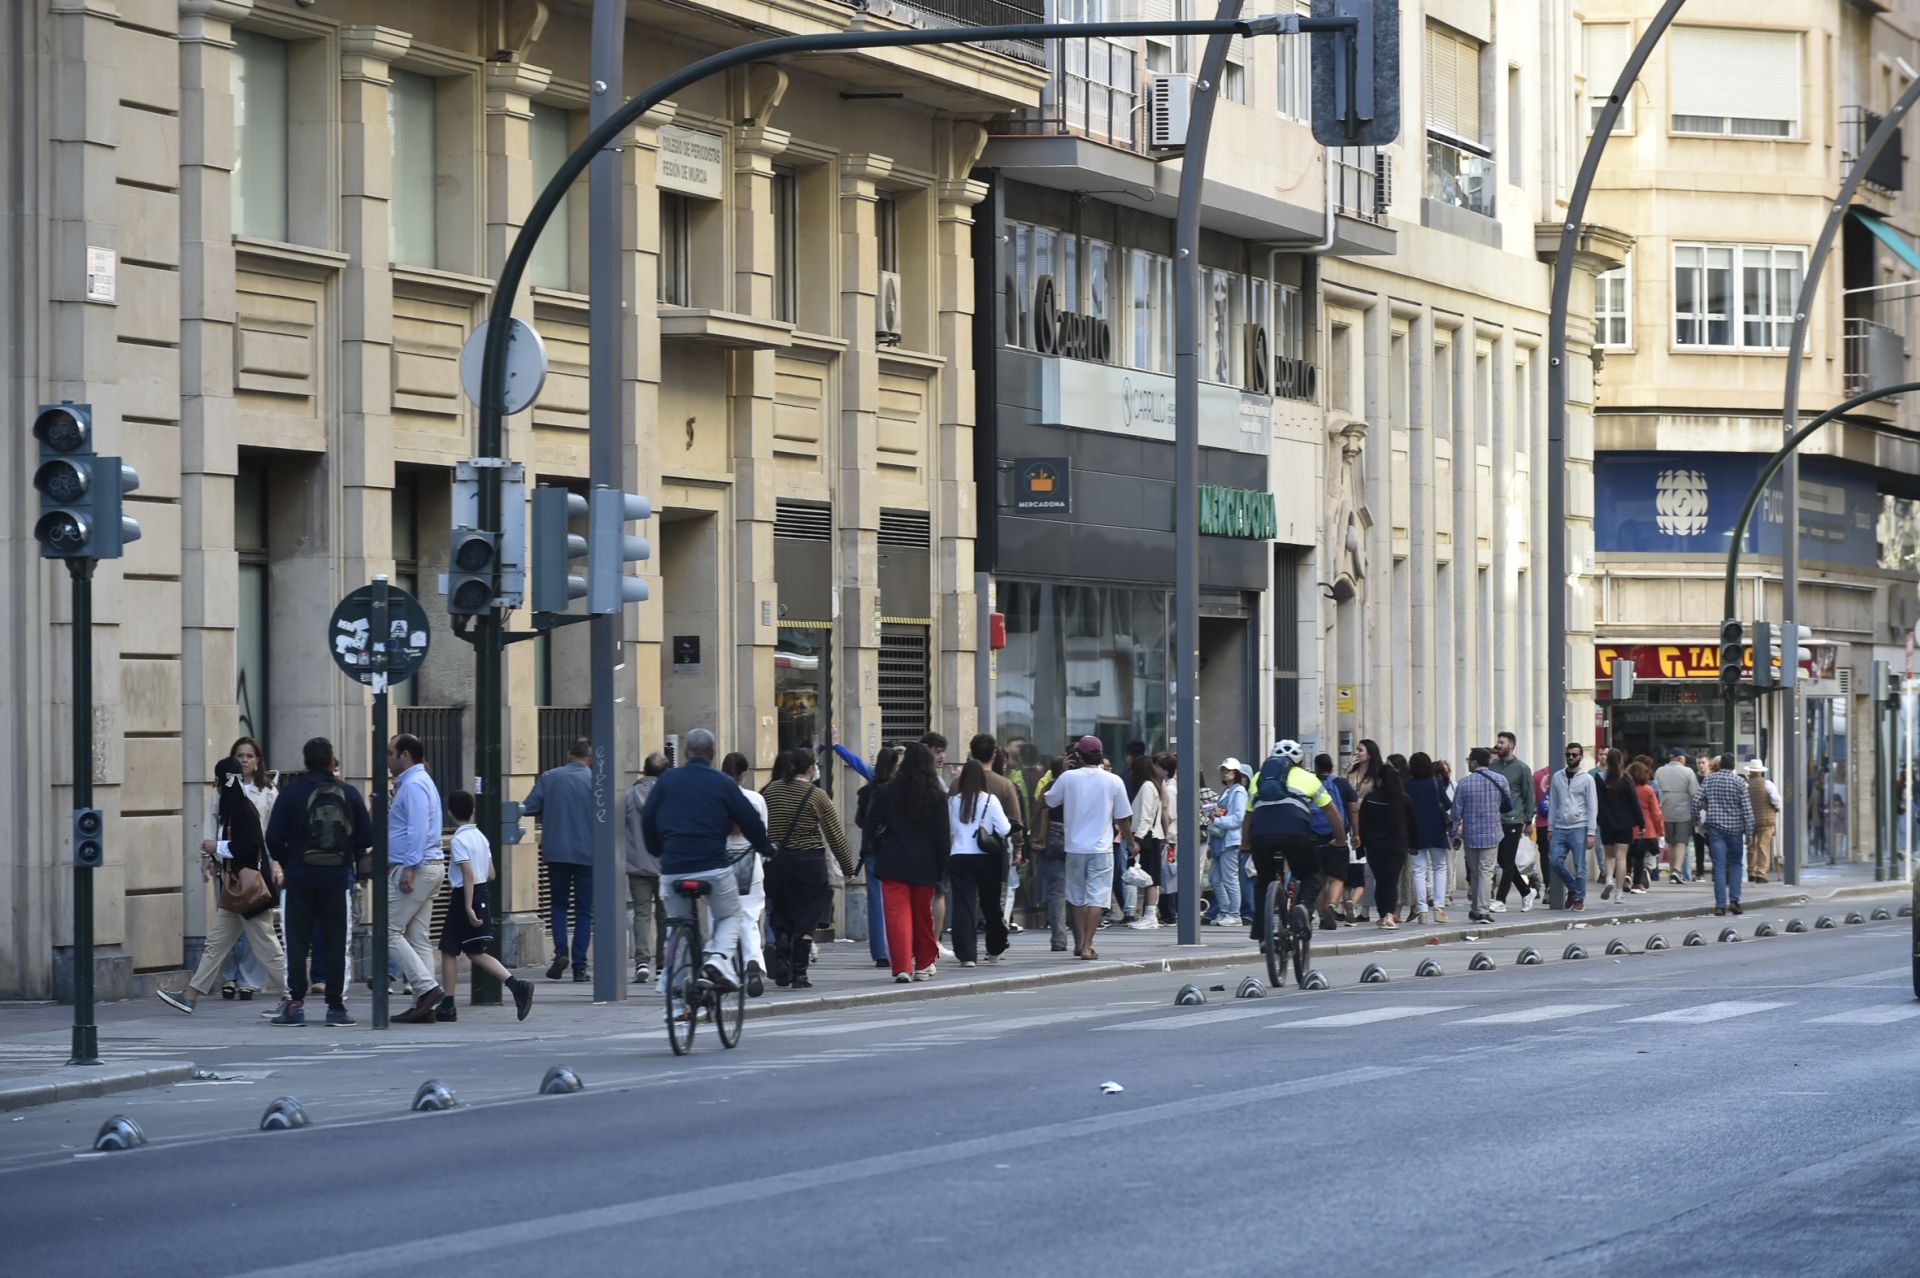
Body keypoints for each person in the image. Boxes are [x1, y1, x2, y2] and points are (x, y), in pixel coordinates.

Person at [639, 728, 775, 991]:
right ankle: (718, 961)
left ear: (686, 752)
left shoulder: (667, 781)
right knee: (732, 915)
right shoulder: (722, 783)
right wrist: (765, 848)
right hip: (711, 866)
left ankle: (676, 997)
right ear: (712, 754)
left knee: (677, 924)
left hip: (673, 867)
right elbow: (749, 820)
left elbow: (648, 819)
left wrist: (656, 849)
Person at [158, 756, 289, 1015]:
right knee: (215, 945)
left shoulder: (241, 809)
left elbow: (251, 846)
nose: (216, 786)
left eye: (217, 781)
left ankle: (292, 997)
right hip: (237, 892)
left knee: (267, 949)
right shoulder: (233, 809)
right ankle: (190, 996)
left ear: (221, 781)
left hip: (250, 893)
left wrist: (216, 846)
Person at [263, 737, 371, 1027]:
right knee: (337, 941)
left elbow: (273, 838)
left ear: (305, 762)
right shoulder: (348, 793)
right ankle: (336, 1007)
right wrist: (346, 855)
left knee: (296, 942)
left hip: (298, 878)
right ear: (331, 762)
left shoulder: (290, 794)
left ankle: (295, 1005)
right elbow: (367, 837)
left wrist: (289, 860)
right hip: (336, 879)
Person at [433, 790, 535, 1022]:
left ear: (449, 812)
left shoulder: (459, 840)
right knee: (469, 950)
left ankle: (450, 1003)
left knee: (453, 949)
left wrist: (468, 907)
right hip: (482, 893)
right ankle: (515, 986)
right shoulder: (480, 837)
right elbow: (490, 873)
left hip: (464, 896)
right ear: (472, 811)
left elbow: (467, 874)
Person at [761, 748, 855, 989]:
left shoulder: (771, 791)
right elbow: (834, 834)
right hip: (809, 863)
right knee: (807, 916)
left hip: (778, 862)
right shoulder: (817, 795)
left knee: (780, 911)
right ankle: (800, 972)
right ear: (811, 767)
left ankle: (782, 957)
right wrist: (848, 867)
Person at [197, 737, 276, 1000]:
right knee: (219, 939)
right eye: (239, 755)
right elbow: (211, 822)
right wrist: (208, 854)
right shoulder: (225, 796)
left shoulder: (258, 797)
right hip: (229, 871)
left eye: (249, 755)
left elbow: (260, 838)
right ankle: (199, 989)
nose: (244, 760)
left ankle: (278, 989)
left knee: (262, 940)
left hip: (252, 873)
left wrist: (276, 863)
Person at [1245, 740, 1345, 946]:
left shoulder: (1258, 778)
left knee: (1263, 881)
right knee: (1312, 875)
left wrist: (1245, 843)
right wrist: (1340, 839)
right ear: (1300, 762)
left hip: (1261, 836)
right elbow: (1331, 811)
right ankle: (1303, 908)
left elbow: (1248, 816)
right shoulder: (1309, 778)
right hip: (1296, 834)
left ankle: (1262, 934)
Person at [1044, 735, 1135, 959]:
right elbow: (1122, 817)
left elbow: (1049, 800)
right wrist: (1131, 842)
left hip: (1074, 846)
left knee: (1077, 897)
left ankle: (1079, 943)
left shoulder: (1068, 778)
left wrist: (1059, 774)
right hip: (1102, 847)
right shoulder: (1113, 780)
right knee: (1098, 897)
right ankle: (1087, 945)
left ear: (1079, 755)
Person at [871, 742, 952, 982]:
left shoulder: (887, 791)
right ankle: (923, 963)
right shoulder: (937, 796)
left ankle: (902, 967)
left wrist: (878, 848)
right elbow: (942, 837)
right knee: (922, 916)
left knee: (896, 917)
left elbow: (872, 824)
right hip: (925, 864)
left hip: (893, 862)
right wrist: (941, 868)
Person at [385, 733, 447, 1024]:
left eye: (390, 753)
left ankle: (427, 989)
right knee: (418, 936)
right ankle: (425, 1006)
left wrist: (409, 867)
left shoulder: (413, 785)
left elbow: (417, 828)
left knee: (387, 931)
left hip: (418, 868)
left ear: (405, 755)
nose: (388, 759)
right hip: (427, 866)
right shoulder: (419, 782)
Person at [522, 738, 595, 982]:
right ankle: (580, 966)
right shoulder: (596, 780)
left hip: (557, 851)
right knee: (584, 911)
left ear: (568, 754)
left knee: (559, 905)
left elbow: (529, 806)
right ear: (590, 758)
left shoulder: (550, 777)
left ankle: (561, 951)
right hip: (588, 853)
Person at [947, 757, 1013, 967]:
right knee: (990, 904)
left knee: (963, 906)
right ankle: (995, 947)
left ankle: (967, 955)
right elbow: (1004, 829)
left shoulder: (953, 802)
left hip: (958, 856)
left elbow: (949, 831)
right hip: (986, 858)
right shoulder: (990, 800)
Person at [720, 752, 773, 994]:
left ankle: (722, 968)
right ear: (744, 775)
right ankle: (752, 960)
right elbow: (763, 835)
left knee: (721, 918)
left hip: (722, 862)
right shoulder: (755, 799)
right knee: (749, 919)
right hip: (750, 862)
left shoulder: (716, 799)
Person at [620, 753, 669, 984]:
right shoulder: (669, 795)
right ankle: (662, 965)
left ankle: (641, 961)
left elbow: (619, 828)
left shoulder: (629, 796)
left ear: (644, 770)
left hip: (637, 863)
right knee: (664, 916)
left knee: (641, 913)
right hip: (664, 864)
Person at [970, 734, 1025, 933]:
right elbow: (1015, 819)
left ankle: (973, 928)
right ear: (994, 755)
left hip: (964, 846)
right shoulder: (1004, 784)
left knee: (970, 892)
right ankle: (995, 931)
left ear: (971, 753)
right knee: (998, 891)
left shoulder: (958, 784)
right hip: (996, 846)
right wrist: (1018, 847)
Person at [1452, 747, 1512, 925]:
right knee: (1486, 871)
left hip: (1470, 834)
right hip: (1492, 832)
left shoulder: (1464, 783)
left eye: (1469, 760)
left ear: (1475, 762)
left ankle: (1476, 909)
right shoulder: (1500, 780)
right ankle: (1482, 910)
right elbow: (1506, 803)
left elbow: (1456, 812)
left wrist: (1454, 833)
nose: (1468, 764)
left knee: (1475, 872)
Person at [854, 746, 901, 969]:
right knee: (895, 899)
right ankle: (895, 947)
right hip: (892, 849)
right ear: (893, 766)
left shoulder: (867, 791)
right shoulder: (897, 790)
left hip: (871, 848)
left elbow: (860, 821)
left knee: (875, 899)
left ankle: (879, 951)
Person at [1356, 761, 1415, 929]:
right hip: (1397, 845)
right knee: (1391, 880)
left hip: (1375, 846)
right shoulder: (1403, 799)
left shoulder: (1370, 799)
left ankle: (1384, 914)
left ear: (1380, 779)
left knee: (1381, 881)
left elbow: (1363, 825)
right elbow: (1412, 824)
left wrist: (1360, 848)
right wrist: (1414, 844)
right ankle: (1389, 915)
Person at [1695, 752, 1755, 915]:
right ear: (1733, 766)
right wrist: (1750, 832)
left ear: (1720, 765)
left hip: (1715, 829)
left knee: (1719, 866)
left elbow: (1696, 801)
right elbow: (1747, 810)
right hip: (1735, 829)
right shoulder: (1739, 782)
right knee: (1736, 863)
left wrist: (1698, 824)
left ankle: (1720, 905)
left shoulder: (1709, 779)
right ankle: (1734, 901)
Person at [1547, 742, 1599, 911]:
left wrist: (1591, 832)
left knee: (1580, 866)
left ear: (1581, 757)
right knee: (1554, 860)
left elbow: (1592, 806)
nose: (1571, 757)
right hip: (1560, 826)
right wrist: (1550, 827)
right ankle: (1573, 888)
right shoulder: (1557, 777)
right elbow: (1553, 803)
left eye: (1574, 755)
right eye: (1568, 754)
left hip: (1579, 826)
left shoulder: (1587, 779)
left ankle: (1579, 899)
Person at [1309, 753, 1358, 929]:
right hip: (1337, 836)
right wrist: (1356, 834)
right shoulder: (1342, 784)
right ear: (1332, 767)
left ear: (1316, 767)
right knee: (1337, 877)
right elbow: (1353, 810)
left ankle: (1322, 916)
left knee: (1318, 879)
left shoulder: (1310, 784)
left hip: (1314, 836)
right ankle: (1332, 906)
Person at [1029, 754, 1072, 950]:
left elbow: (1038, 813)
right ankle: (1082, 941)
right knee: (1079, 891)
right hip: (1075, 837)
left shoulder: (1048, 787)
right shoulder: (1076, 786)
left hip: (1051, 836)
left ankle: (1059, 939)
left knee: (1056, 891)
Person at [1489, 733, 1536, 912]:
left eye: (1502, 742)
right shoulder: (1493, 767)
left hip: (1513, 820)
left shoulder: (1522, 768)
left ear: (1511, 745)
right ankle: (1526, 892)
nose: (1498, 745)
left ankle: (1501, 899)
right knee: (1504, 860)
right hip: (1496, 819)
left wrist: (1528, 820)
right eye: (1498, 741)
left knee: (1507, 860)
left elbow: (1528, 795)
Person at [1405, 752, 1452, 924]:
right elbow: (1448, 804)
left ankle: (1422, 910)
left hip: (1415, 832)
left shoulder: (1406, 785)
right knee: (1439, 867)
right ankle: (1439, 908)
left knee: (1419, 870)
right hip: (1436, 830)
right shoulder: (1436, 782)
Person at [1204, 758, 1249, 926]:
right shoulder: (1227, 791)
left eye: (1228, 770)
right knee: (1215, 878)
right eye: (1223, 770)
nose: (1225, 773)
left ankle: (1234, 914)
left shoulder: (1238, 791)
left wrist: (1217, 820)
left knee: (1230, 879)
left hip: (1229, 841)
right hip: (1220, 840)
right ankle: (1225, 911)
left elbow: (1238, 818)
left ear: (1237, 773)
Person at [1125, 755, 1167, 929]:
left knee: (1150, 877)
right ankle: (1149, 914)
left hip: (1147, 836)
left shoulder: (1147, 786)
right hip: (1150, 835)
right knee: (1148, 876)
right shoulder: (1151, 785)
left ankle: (1150, 916)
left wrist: (1137, 840)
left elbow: (1145, 816)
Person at [1346, 740, 1386, 921]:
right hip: (1351, 822)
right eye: (1356, 749)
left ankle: (1366, 908)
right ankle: (1349, 905)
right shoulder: (1351, 773)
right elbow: (1342, 790)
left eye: (1360, 750)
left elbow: (1379, 796)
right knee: (1352, 865)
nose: (1357, 753)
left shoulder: (1377, 775)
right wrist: (1348, 768)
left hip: (1370, 822)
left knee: (1368, 868)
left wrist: (1360, 803)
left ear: (1370, 753)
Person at [1596, 748, 1640, 904]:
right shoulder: (1626, 778)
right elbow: (1634, 802)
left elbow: (1596, 802)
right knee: (1621, 858)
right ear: (1621, 761)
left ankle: (1609, 879)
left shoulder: (1599, 778)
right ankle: (1619, 894)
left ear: (1607, 761)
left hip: (1606, 823)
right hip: (1624, 823)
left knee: (1608, 856)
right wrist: (1641, 823)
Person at [1654, 749, 1699, 885]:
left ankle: (1672, 871)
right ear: (1680, 758)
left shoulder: (1660, 771)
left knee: (1670, 842)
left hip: (1665, 811)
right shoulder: (1688, 772)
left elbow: (1655, 791)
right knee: (1681, 842)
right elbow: (1695, 793)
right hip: (1683, 812)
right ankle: (1677, 871)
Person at [1154, 753, 1182, 924]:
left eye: (1157, 766)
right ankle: (1169, 912)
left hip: (1169, 836)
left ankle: (1169, 913)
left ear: (1165, 770)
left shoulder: (1170, 789)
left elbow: (1169, 814)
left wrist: (1163, 834)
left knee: (1167, 875)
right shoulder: (1171, 786)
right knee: (1168, 874)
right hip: (1171, 836)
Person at [1629, 760, 1664, 893]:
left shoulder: (1627, 790)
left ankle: (1627, 875)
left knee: (1627, 854)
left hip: (1629, 827)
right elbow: (1656, 812)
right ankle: (1637, 883)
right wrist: (1660, 830)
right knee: (1640, 856)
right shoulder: (1648, 790)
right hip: (1646, 828)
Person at [1746, 760, 1781, 883]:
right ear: (1761, 772)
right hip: (1766, 821)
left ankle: (1751, 871)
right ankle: (1761, 874)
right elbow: (1776, 800)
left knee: (1751, 846)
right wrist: (1777, 808)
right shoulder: (1768, 784)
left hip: (1750, 820)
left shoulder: (1746, 785)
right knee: (1763, 847)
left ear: (1750, 771)